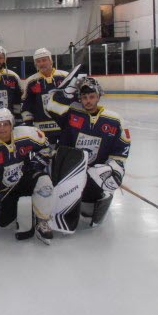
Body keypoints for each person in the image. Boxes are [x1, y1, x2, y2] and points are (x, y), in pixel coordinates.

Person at [0, 109, 80, 245]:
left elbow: (47, 148)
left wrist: (38, 161)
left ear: (12, 124)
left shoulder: (27, 133)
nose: (2, 128)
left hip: (25, 178)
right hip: (4, 189)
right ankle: (29, 208)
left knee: (44, 182)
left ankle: (42, 221)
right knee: (1, 220)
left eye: (5, 124)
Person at [47, 77, 130, 228]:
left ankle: (99, 195)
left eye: (92, 97)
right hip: (69, 172)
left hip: (94, 174)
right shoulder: (71, 112)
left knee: (88, 213)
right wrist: (68, 91)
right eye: (84, 97)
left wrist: (115, 169)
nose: (88, 101)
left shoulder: (114, 120)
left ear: (98, 97)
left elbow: (120, 150)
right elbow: (51, 107)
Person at [20, 48, 69, 143]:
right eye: (38, 61)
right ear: (36, 64)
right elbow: (26, 105)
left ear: (51, 61)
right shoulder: (31, 81)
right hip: (41, 131)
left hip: (64, 129)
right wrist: (29, 125)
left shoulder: (65, 77)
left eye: (44, 60)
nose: (41, 63)